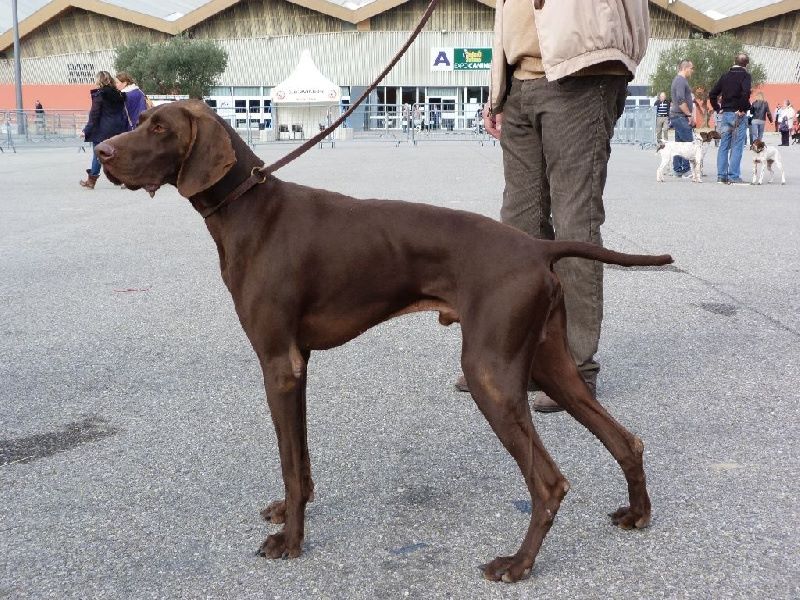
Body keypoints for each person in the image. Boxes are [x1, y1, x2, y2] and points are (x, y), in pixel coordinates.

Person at [453, 0, 649, 413]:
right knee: (516, 232)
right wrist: (497, 93)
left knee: (575, 225)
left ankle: (574, 369)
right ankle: (521, 359)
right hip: (519, 79)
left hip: (582, 70)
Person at [80, 71, 128, 189]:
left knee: (98, 154)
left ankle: (91, 181)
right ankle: (124, 180)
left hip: (103, 129)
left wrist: (86, 130)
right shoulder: (119, 94)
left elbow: (94, 115)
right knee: (117, 155)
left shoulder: (99, 95)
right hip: (118, 128)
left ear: (99, 80)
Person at [709, 53, 752, 184]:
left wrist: (717, 108)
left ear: (734, 61)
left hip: (726, 114)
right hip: (738, 114)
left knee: (724, 145)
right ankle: (733, 176)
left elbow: (712, 94)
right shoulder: (745, 76)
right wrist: (742, 109)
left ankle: (721, 176)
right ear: (746, 64)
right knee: (737, 145)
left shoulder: (725, 76)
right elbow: (745, 93)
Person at [669, 59, 695, 177]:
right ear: (685, 68)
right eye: (691, 68)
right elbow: (680, 99)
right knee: (688, 143)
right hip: (680, 116)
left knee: (679, 145)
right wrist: (689, 114)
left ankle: (678, 169)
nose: (692, 71)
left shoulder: (679, 80)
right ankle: (686, 170)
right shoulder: (680, 81)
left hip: (678, 116)